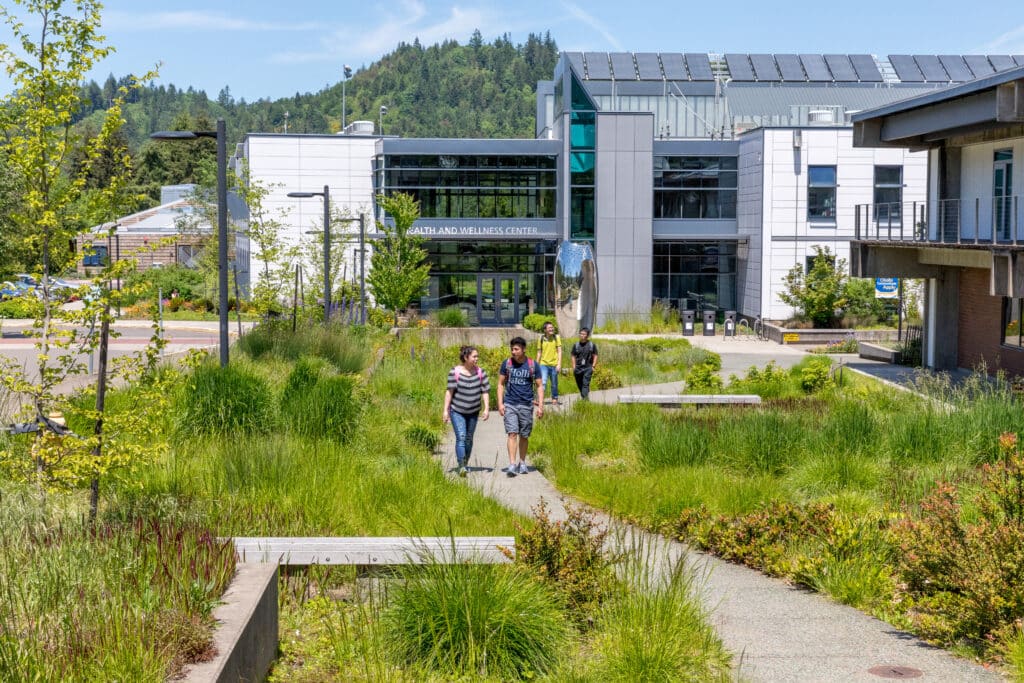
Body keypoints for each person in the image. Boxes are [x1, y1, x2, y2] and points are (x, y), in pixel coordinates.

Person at [498, 336, 543, 477]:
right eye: (512, 349)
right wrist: (500, 403)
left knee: (524, 435)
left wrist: (540, 406)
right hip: (510, 403)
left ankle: (522, 463)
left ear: (523, 349)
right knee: (512, 433)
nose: (513, 351)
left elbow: (540, 385)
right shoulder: (507, 364)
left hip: (526, 405)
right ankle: (512, 464)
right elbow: (500, 384)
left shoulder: (532, 365)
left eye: (516, 349)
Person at [443, 346, 490, 477]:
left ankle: (465, 462)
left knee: (469, 439)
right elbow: (449, 392)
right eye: (474, 356)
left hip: (473, 412)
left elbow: (485, 391)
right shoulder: (455, 372)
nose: (477, 359)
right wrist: (445, 411)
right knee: (461, 437)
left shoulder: (481, 373)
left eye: (477, 356)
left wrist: (486, 408)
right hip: (457, 411)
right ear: (466, 357)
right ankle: (461, 465)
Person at [535, 321, 562, 405]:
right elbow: (539, 352)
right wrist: (536, 364)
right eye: (549, 328)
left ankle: (555, 398)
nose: (551, 329)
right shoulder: (541, 339)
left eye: (552, 327)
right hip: (543, 364)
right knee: (543, 382)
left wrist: (559, 364)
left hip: (554, 364)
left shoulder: (556, 338)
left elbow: (559, 351)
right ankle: (540, 399)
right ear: (545, 330)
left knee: (554, 383)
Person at [571, 327, 599, 400]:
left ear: (587, 335)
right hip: (578, 368)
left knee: (585, 384)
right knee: (579, 384)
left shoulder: (591, 345)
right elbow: (573, 356)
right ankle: (584, 395)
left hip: (588, 368)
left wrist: (593, 366)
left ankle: (585, 400)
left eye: (584, 334)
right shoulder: (576, 345)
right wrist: (574, 367)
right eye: (581, 334)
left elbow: (595, 355)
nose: (582, 335)